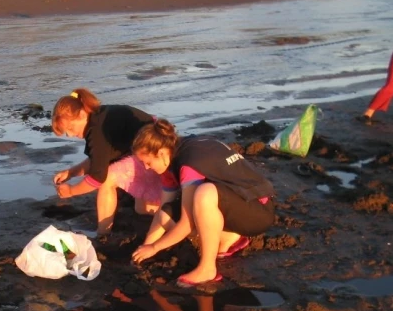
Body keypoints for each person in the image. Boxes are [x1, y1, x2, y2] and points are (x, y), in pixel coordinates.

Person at [130, 119, 275, 288]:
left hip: (258, 210)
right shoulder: (174, 153)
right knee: (170, 212)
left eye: (148, 163)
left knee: (204, 194)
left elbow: (186, 224)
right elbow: (165, 211)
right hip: (235, 200)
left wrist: (155, 248)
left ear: (161, 153)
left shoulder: (189, 163)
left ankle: (208, 268)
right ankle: (229, 236)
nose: (147, 168)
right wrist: (145, 248)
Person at [51, 88, 162, 235]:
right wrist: (71, 173)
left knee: (108, 180)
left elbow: (97, 177)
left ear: (82, 114)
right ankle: (166, 207)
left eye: (71, 128)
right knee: (141, 209)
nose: (71, 134)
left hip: (154, 152)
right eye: (67, 132)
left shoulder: (97, 132)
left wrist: (72, 191)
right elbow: (98, 161)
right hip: (153, 139)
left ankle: (103, 232)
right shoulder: (99, 117)